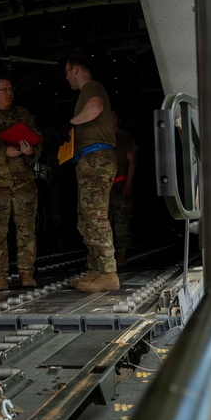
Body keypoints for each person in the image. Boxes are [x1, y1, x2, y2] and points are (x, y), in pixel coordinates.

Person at [60, 51, 118, 292]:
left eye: (66, 72)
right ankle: (96, 269)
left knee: (95, 215)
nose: (65, 78)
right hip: (89, 161)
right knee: (87, 217)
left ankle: (107, 273)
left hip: (96, 159)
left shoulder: (91, 87)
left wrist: (71, 122)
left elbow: (95, 107)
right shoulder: (87, 90)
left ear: (75, 69)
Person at [0, 76, 42, 290]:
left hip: (24, 183)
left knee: (26, 229)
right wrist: (1, 152)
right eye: (4, 89)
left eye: (11, 89)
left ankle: (26, 273)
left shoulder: (23, 115)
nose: (9, 93)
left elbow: (38, 143)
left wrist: (30, 151)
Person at [109, 111, 137, 267]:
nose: (111, 119)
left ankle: (122, 252)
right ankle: (107, 253)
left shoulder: (125, 137)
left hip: (121, 183)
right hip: (106, 185)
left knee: (121, 220)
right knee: (105, 220)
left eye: (113, 116)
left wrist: (128, 183)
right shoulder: (103, 137)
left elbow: (132, 161)